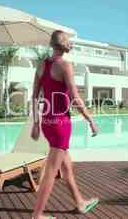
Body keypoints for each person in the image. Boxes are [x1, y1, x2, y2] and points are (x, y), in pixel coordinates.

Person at [30, 30, 99, 219]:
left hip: (46, 122)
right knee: (52, 171)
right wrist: (90, 120)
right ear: (65, 45)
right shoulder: (65, 66)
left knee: (66, 166)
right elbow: (75, 99)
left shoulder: (41, 65)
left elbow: (34, 97)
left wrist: (36, 124)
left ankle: (79, 202)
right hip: (60, 124)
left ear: (52, 45)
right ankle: (37, 215)